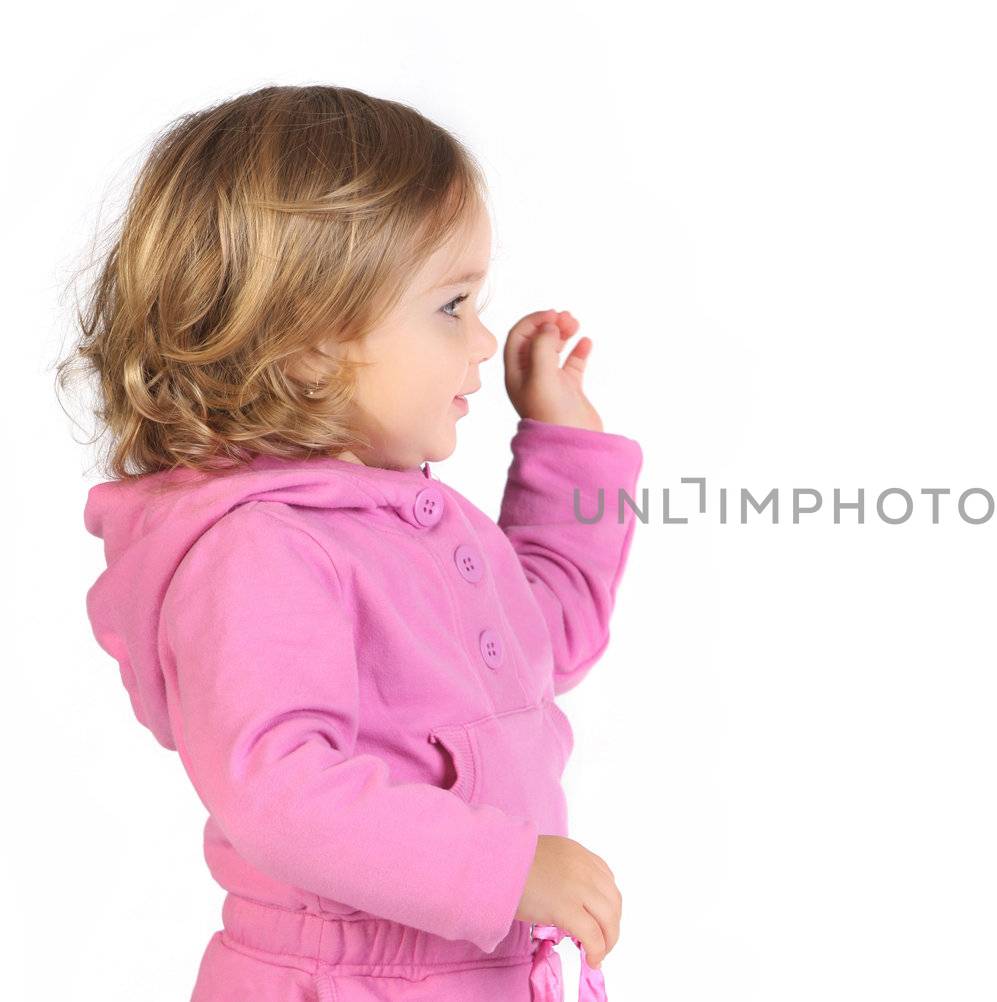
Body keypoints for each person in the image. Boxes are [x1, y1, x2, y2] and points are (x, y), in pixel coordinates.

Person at [68, 84, 636, 1001]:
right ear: (308, 347)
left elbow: (544, 641)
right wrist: (508, 868)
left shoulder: (407, 521)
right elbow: (278, 791)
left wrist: (567, 451)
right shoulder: (261, 551)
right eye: (452, 305)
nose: (484, 339)